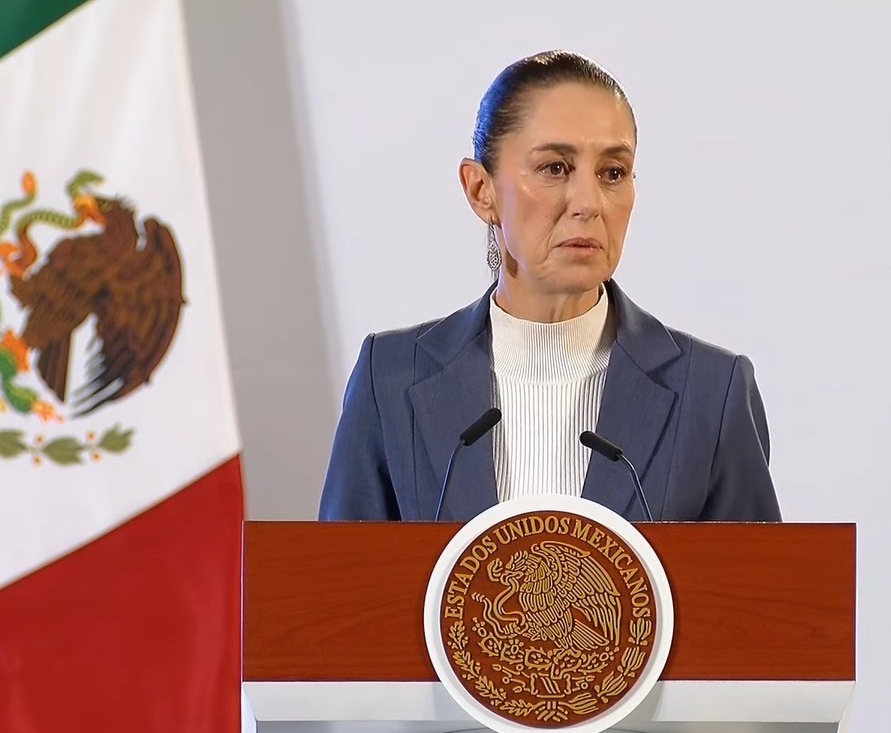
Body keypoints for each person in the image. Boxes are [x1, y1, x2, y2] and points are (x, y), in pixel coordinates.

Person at [318, 50, 782, 523]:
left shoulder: (711, 393)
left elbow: (757, 592)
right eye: (555, 168)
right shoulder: (391, 379)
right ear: (481, 190)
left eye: (613, 173)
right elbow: (337, 589)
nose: (588, 203)